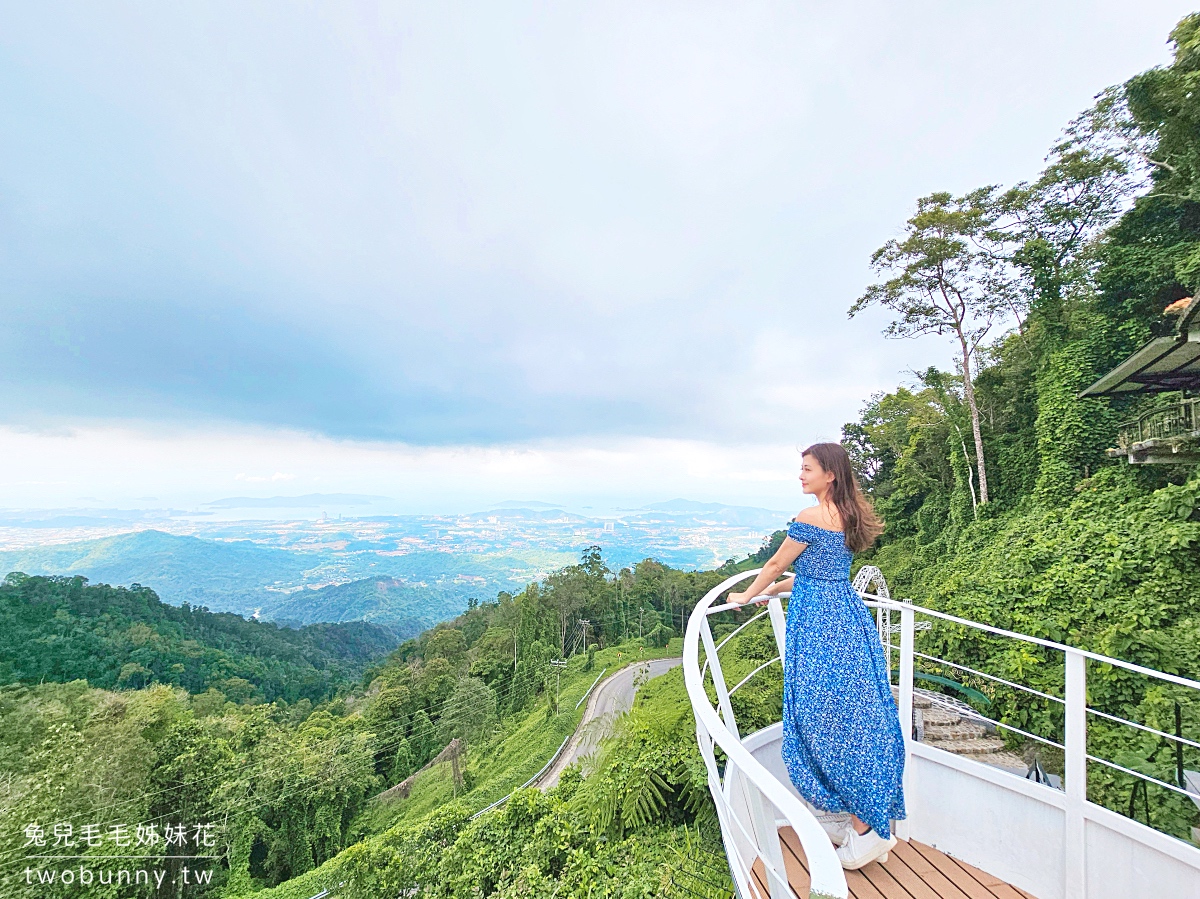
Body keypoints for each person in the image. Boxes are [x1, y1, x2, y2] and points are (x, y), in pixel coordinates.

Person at [729, 441, 904, 870]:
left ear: (830, 474)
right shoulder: (845, 514)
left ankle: (865, 830)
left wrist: (746, 595)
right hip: (844, 619)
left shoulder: (810, 517)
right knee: (855, 715)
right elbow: (813, 576)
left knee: (823, 716)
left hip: (820, 629)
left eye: (807, 469)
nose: (801, 475)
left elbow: (774, 564)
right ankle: (864, 821)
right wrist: (771, 592)